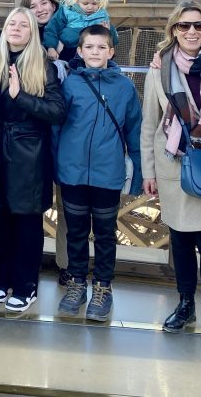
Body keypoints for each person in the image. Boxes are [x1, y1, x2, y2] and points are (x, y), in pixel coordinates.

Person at [141, 1, 201, 354]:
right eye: (183, 26)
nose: (191, 32)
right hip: (175, 164)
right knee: (180, 241)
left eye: (197, 25)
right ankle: (185, 304)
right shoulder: (159, 69)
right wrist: (148, 171)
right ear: (173, 30)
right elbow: (150, 124)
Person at [0, 7, 66, 313]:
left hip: (29, 153)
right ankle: (3, 278)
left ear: (32, 32)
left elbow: (57, 111)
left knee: (28, 222)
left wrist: (21, 97)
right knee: (3, 219)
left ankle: (26, 284)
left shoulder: (43, 64)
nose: (15, 28)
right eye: (11, 23)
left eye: (23, 25)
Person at [54, 25, 142, 322]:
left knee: (105, 233)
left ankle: (103, 286)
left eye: (101, 47)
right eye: (89, 47)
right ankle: (77, 282)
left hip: (107, 172)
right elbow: (57, 126)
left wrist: (140, 171)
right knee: (76, 231)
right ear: (79, 51)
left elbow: (134, 130)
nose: (95, 52)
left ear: (111, 51)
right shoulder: (70, 84)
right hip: (73, 171)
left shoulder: (124, 87)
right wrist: (56, 163)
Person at [20, 0, 68, 283]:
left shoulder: (73, 35)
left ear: (54, 3)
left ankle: (66, 266)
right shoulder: (24, 42)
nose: (40, 9)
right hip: (35, 132)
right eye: (33, 5)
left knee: (67, 201)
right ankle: (28, 264)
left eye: (44, 2)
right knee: (32, 200)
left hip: (67, 128)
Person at [42, 0, 118, 63]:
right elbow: (51, 29)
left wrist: (108, 31)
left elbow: (114, 41)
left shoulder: (102, 16)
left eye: (94, 4)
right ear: (76, 0)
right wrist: (51, 47)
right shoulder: (67, 11)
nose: (90, 7)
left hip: (92, 55)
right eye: (85, 3)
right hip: (68, 52)